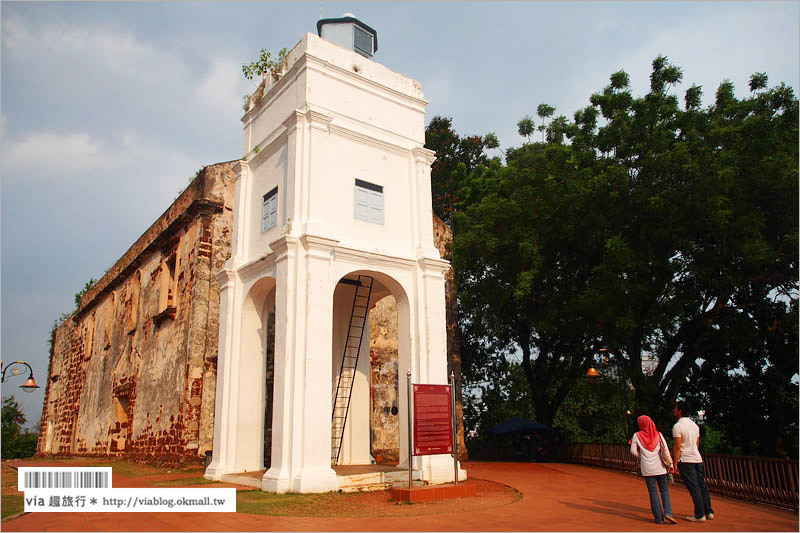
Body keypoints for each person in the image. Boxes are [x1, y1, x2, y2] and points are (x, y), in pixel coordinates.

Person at [672, 400, 715, 522]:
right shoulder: (695, 426)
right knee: (701, 485)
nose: (674, 410)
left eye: (675, 408)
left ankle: (699, 514)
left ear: (680, 410)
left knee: (693, 487)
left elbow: (677, 446)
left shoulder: (677, 426)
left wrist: (675, 463)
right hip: (696, 458)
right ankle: (708, 511)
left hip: (685, 459)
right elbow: (696, 444)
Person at [630, 415, 678, 525]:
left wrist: (642, 457)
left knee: (653, 491)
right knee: (664, 490)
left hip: (647, 468)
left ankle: (659, 518)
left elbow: (633, 451)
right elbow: (665, 449)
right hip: (660, 467)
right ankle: (668, 513)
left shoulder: (637, 435)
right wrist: (670, 464)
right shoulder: (658, 435)